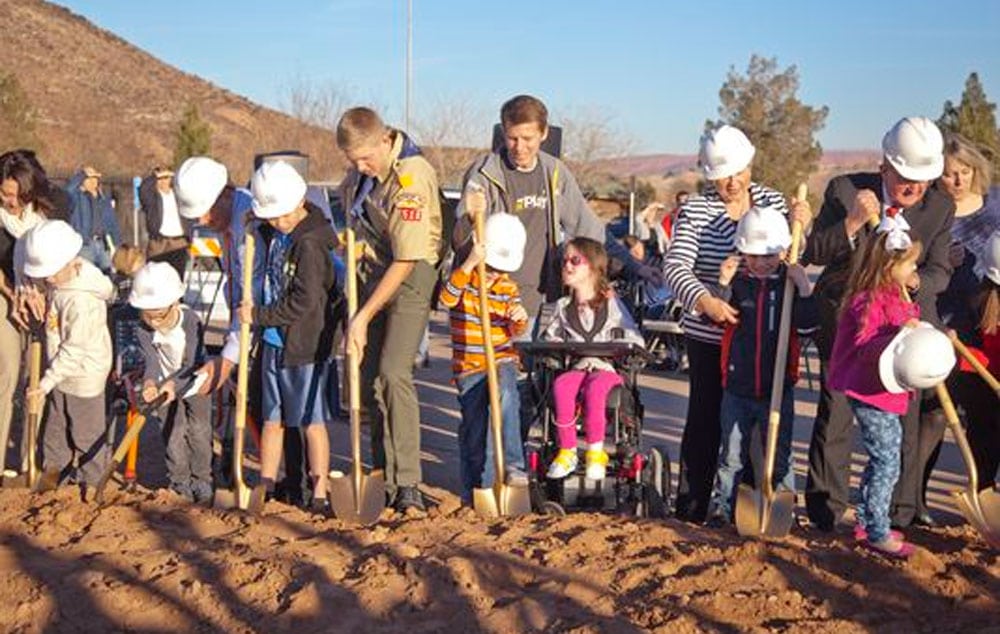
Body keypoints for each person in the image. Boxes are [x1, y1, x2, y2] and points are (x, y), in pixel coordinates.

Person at [803, 117, 955, 531]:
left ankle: (895, 513)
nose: (915, 189)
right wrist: (851, 223)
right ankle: (825, 509)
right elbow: (813, 252)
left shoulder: (939, 206)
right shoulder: (845, 189)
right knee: (836, 413)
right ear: (885, 165)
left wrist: (915, 281)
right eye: (907, 179)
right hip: (848, 320)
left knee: (902, 417)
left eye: (924, 181)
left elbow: (940, 270)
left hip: (901, 324)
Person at [663, 125, 803, 522]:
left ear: (750, 165)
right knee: (707, 417)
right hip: (711, 333)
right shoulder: (695, 209)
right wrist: (704, 300)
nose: (732, 182)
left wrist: (800, 227)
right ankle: (693, 506)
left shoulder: (775, 202)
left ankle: (755, 503)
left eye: (739, 171)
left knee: (764, 426)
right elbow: (675, 265)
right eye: (722, 175)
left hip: (766, 333)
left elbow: (788, 255)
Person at [454, 94, 661, 322]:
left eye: (527, 138)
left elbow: (590, 229)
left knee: (527, 358)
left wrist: (635, 267)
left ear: (543, 134)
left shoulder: (555, 172)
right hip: (488, 299)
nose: (519, 147)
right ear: (503, 132)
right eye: (512, 138)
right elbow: (460, 240)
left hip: (538, 300)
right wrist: (470, 218)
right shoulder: (484, 173)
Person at [337, 107, 442, 513]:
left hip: (411, 273)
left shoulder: (411, 176)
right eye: (354, 161)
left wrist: (361, 317)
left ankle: (410, 481)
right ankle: (384, 474)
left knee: (394, 371)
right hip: (373, 272)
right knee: (371, 379)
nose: (363, 166)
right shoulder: (359, 179)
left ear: (384, 140)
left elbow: (406, 259)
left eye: (367, 158)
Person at [706, 205, 818, 526]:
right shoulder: (740, 285)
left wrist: (805, 289)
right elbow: (717, 320)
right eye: (753, 256)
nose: (761, 262)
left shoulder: (789, 284)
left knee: (781, 454)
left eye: (768, 255)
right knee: (731, 454)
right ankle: (723, 508)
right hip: (737, 388)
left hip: (777, 388)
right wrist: (723, 284)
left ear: (783, 251)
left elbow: (809, 328)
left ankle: (783, 511)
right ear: (743, 253)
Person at [238, 161, 338, 511]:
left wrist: (259, 316)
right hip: (273, 343)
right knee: (272, 419)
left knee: (311, 421)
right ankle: (265, 484)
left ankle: (321, 491)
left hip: (303, 346)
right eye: (270, 217)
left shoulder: (311, 245)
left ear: (300, 204)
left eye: (280, 216)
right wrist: (256, 225)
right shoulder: (275, 231)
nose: (275, 223)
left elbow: (305, 301)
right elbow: (267, 231)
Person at [827, 219, 925, 557]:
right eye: (910, 262)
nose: (915, 269)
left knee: (881, 457)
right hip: (871, 392)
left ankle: (869, 519)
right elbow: (866, 346)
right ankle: (878, 531)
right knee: (887, 461)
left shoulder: (894, 294)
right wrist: (900, 334)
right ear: (890, 266)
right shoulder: (868, 301)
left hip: (885, 391)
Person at [919, 134, 1000, 519]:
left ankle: (986, 496)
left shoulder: (997, 203)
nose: (957, 181)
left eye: (963, 172)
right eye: (948, 174)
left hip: (992, 327)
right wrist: (942, 264)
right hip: (948, 328)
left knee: (988, 417)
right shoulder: (933, 213)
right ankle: (913, 503)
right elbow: (915, 271)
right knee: (935, 415)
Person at [438, 212, 529, 504]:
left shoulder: (506, 287)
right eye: (488, 266)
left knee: (505, 395)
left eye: (497, 268)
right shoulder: (463, 281)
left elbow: (516, 328)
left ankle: (514, 466)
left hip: (501, 359)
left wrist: (519, 319)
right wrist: (469, 263)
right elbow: (446, 299)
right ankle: (478, 488)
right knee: (475, 431)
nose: (492, 272)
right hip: (469, 368)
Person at [22, 220, 113, 499]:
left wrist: (46, 382)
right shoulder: (62, 280)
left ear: (70, 261)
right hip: (61, 372)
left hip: (84, 375)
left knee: (87, 436)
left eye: (50, 273)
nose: (47, 280)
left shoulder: (82, 302)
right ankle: (53, 477)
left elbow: (75, 350)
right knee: (56, 429)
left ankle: (94, 486)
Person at [540, 237, 644, 480]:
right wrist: (552, 344)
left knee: (596, 389)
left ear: (594, 267)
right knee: (562, 385)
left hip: (606, 368)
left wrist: (621, 342)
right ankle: (567, 451)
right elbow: (549, 336)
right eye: (564, 261)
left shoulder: (611, 304)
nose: (567, 266)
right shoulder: (563, 307)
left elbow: (633, 336)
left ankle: (596, 453)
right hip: (578, 366)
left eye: (575, 260)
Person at [0, 149, 71, 475]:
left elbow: (65, 256)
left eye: (16, 196)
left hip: (48, 291)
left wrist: (41, 295)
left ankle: (34, 456)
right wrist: (15, 295)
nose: (9, 202)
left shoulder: (58, 205)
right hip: (6, 290)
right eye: (3, 193)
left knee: (42, 375)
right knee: (7, 372)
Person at [129, 262, 212, 502]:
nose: (154, 322)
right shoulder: (144, 328)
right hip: (165, 387)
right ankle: (180, 482)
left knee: (198, 431)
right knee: (173, 433)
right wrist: (150, 383)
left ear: (175, 303)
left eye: (159, 316)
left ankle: (202, 480)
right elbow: (152, 362)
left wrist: (173, 385)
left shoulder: (190, 321)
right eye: (148, 316)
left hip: (195, 381)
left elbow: (191, 362)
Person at [66, 165, 120, 274]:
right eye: (88, 178)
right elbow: (68, 190)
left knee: (107, 274)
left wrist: (117, 242)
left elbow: (112, 222)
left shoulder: (103, 199)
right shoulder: (77, 198)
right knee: (85, 275)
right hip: (85, 245)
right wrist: (82, 175)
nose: (92, 181)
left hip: (102, 244)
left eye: (94, 178)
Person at [140, 167, 189, 279]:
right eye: (159, 179)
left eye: (166, 178)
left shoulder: (179, 195)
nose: (162, 181)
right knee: (154, 275)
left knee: (177, 277)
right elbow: (143, 189)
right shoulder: (151, 198)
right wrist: (155, 176)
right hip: (159, 241)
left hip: (178, 241)